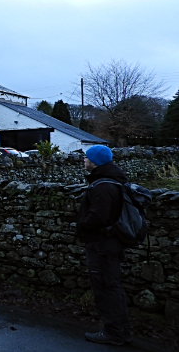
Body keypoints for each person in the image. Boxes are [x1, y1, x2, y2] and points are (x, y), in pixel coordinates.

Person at [76, 145, 132, 346]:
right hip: (109, 242)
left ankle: (114, 332)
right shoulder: (112, 180)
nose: (84, 161)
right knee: (111, 284)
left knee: (105, 286)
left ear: (95, 161)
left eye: (86, 158)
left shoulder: (103, 185)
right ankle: (121, 329)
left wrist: (82, 226)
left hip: (103, 244)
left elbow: (99, 215)